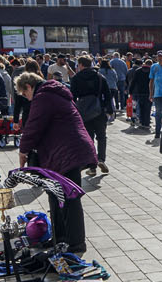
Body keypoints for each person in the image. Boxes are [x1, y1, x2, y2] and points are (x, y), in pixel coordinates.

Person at [16, 70, 95, 253]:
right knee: (57, 196)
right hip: (66, 151)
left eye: (25, 93)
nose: (26, 98)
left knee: (68, 198)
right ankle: (62, 238)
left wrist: (23, 151)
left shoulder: (43, 97)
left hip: (67, 152)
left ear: (29, 86)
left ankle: (74, 242)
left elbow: (33, 126)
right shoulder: (52, 93)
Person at [68, 56, 112, 174]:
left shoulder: (76, 78)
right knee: (102, 137)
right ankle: (101, 159)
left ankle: (92, 166)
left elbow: (72, 96)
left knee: (89, 139)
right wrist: (110, 110)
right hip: (99, 110)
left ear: (81, 65)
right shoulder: (100, 77)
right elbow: (108, 95)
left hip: (84, 112)